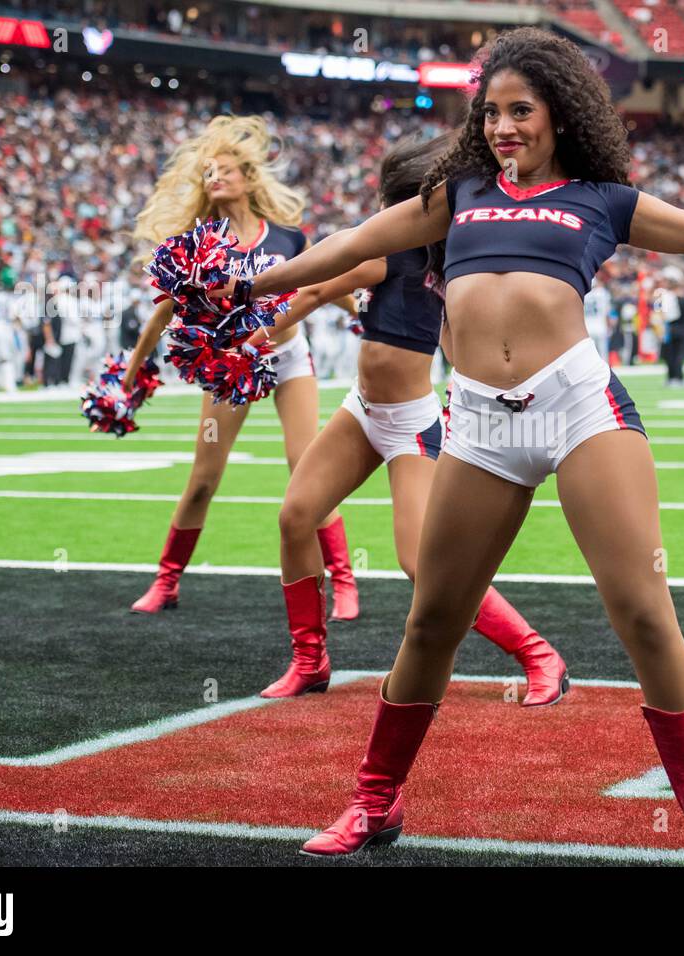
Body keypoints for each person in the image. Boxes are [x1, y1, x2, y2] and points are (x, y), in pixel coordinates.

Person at [236, 28, 684, 866]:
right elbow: (353, 244)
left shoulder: (604, 199)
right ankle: (374, 804)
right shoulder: (455, 193)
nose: (503, 127)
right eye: (491, 113)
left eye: (521, 111)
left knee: (645, 615)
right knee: (432, 619)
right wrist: (244, 284)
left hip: (580, 410)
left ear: (560, 115)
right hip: (480, 426)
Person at [251, 133, 569, 704]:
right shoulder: (404, 251)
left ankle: (538, 654)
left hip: (411, 424)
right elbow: (321, 290)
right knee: (297, 516)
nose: (383, 210)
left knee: (419, 562)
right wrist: (249, 336)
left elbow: (323, 289)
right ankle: (310, 660)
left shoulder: (432, 253)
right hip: (362, 409)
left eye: (390, 198)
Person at [124, 115, 361, 620]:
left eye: (224, 169)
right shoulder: (198, 245)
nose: (215, 177)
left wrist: (365, 314)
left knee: (308, 469)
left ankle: (344, 581)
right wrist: (134, 366)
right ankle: (166, 580)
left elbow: (322, 286)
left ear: (249, 178)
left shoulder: (289, 239)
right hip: (230, 366)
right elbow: (165, 310)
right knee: (204, 478)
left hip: (289, 358)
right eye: (208, 172)